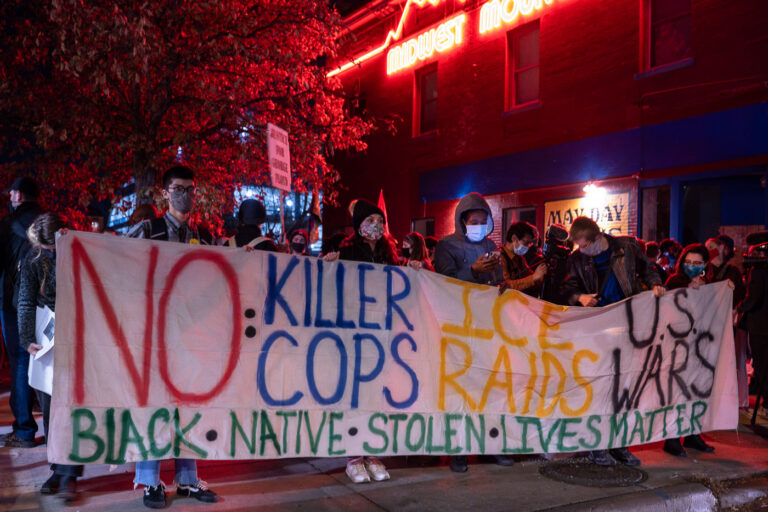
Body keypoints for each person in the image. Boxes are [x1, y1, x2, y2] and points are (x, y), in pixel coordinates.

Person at [127, 166, 219, 508]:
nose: (187, 195)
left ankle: (187, 479)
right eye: (179, 188)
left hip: (191, 339)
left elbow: (223, 274)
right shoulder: (147, 231)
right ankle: (150, 481)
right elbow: (113, 261)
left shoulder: (204, 236)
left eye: (191, 189)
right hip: (153, 337)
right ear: (165, 193)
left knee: (188, 409)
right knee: (154, 408)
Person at [562, 216, 664, 467]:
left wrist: (655, 285)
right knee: (598, 387)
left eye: (585, 245)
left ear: (598, 239)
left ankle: (619, 444)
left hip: (627, 325)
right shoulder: (576, 259)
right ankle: (597, 444)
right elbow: (565, 288)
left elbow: (648, 269)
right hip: (595, 329)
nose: (582, 251)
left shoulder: (626, 248)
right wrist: (580, 296)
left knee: (623, 387)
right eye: (578, 246)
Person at [433, 192, 513, 472]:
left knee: (489, 388)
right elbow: (443, 282)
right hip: (458, 325)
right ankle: (459, 450)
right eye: (474, 220)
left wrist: (502, 285)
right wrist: (474, 271)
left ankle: (490, 446)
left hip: (488, 326)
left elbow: (498, 280)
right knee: (460, 388)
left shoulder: (491, 245)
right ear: (462, 221)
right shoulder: (446, 246)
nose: (479, 224)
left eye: (483, 220)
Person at [324, 199, 394, 484]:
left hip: (381, 335)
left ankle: (372, 451)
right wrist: (328, 266)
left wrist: (415, 269)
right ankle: (353, 456)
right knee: (353, 397)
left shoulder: (390, 254)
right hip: (353, 335)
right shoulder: (348, 252)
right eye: (370, 221)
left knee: (374, 396)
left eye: (380, 220)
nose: (376, 225)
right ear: (358, 227)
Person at [17, 212, 84, 501]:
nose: (50, 252)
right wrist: (27, 338)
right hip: (47, 337)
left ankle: (69, 472)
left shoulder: (80, 252)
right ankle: (58, 468)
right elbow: (26, 299)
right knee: (50, 407)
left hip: (78, 335)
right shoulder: (35, 260)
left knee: (73, 406)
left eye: (52, 246)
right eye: (46, 248)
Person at [661, 243, 717, 456]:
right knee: (677, 392)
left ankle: (693, 434)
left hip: (699, 348)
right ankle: (672, 438)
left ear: (704, 265)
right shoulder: (675, 281)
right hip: (677, 347)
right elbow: (670, 309)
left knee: (696, 392)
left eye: (697, 263)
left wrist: (724, 289)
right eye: (688, 262)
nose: (692, 266)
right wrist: (689, 291)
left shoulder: (706, 283)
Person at [0, 176, 42, 448]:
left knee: (20, 360)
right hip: (46, 302)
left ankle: (25, 429)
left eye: (12, 194)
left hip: (14, 303)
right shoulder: (50, 221)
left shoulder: (7, 225)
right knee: (47, 359)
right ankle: (53, 428)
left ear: (18, 195)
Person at [739, 239, 768, 410]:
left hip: (761, 326)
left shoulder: (758, 273)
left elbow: (754, 299)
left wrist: (739, 308)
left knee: (762, 363)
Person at [499, 221, 546, 296]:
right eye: (526, 243)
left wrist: (539, 277)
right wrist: (533, 278)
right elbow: (504, 286)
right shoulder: (500, 258)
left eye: (529, 243)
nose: (527, 247)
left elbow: (528, 275)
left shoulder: (519, 258)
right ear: (514, 238)